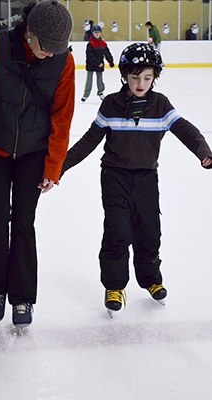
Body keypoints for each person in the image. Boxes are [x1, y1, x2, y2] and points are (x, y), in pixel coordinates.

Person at [61, 43, 212, 316]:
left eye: (147, 77)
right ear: (124, 76)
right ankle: (115, 286)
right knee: (118, 231)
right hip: (114, 176)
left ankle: (151, 279)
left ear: (155, 76)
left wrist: (203, 152)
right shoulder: (111, 105)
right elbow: (88, 142)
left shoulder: (161, 105)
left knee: (149, 231)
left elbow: (187, 130)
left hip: (145, 177)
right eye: (134, 77)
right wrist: (59, 167)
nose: (140, 83)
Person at [0, 0, 75, 330]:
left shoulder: (63, 61)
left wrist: (53, 165)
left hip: (34, 153)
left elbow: (63, 115)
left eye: (58, 49)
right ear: (29, 32)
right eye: (47, 47)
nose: (51, 54)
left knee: (24, 221)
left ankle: (24, 296)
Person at [81, 25, 114, 102]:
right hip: (91, 65)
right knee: (89, 80)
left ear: (100, 33)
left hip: (100, 65)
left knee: (100, 79)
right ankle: (86, 94)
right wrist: (97, 63)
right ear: (92, 33)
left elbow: (107, 53)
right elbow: (90, 56)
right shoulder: (90, 44)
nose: (97, 34)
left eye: (98, 32)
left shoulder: (103, 43)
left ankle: (101, 92)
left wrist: (110, 61)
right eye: (95, 32)